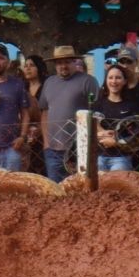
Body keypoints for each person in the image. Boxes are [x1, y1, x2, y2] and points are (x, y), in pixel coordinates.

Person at [36, 45, 97, 181]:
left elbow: (96, 113)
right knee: (55, 190)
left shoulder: (88, 81)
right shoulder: (49, 83)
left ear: (74, 62)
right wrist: (46, 142)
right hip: (52, 150)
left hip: (79, 149)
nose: (63, 66)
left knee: (80, 188)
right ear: (55, 65)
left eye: (67, 62)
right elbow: (45, 112)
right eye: (59, 63)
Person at [90, 61, 139, 171]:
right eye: (110, 78)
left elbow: (136, 136)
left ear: (125, 81)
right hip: (98, 156)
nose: (114, 81)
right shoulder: (97, 104)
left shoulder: (132, 106)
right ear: (106, 80)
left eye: (118, 78)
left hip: (121, 158)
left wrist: (116, 142)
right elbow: (89, 127)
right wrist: (101, 133)